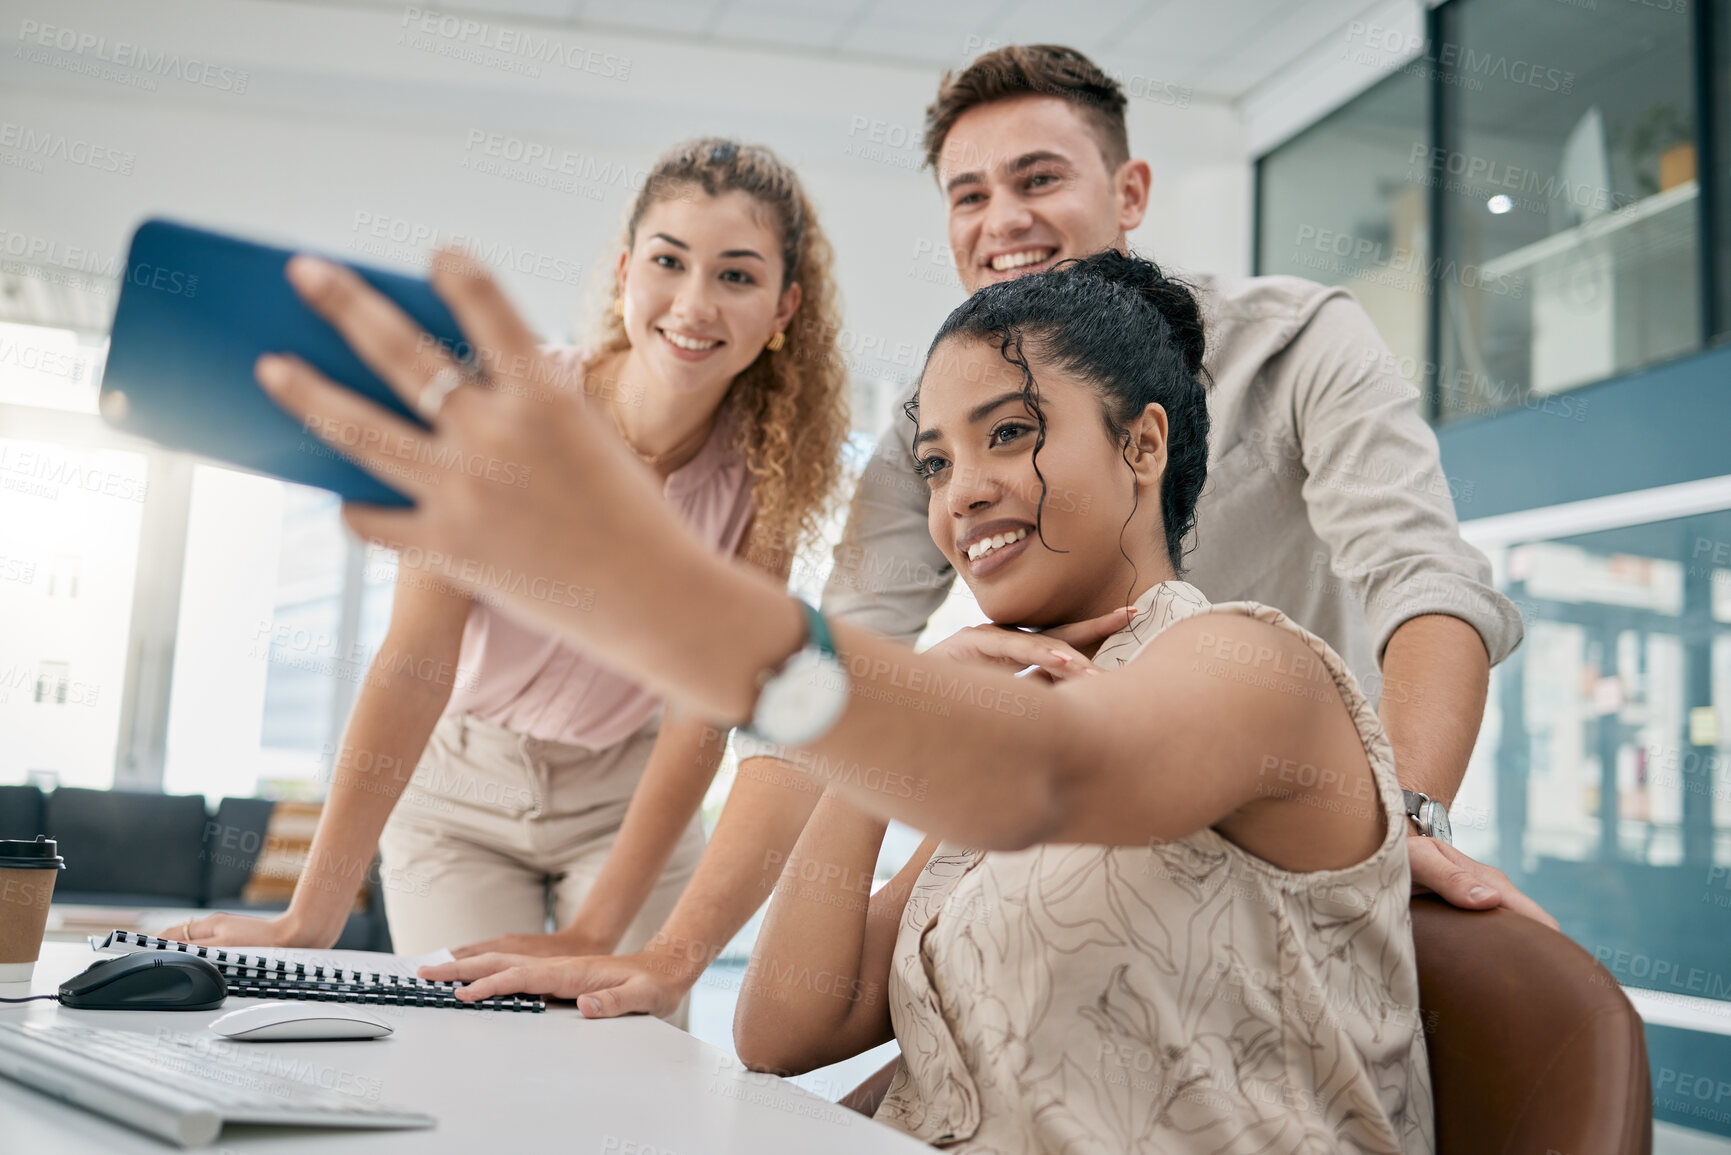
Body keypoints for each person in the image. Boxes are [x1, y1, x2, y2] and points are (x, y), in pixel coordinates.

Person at [421, 42, 1549, 1029]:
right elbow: (820, 674)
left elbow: (1423, 585)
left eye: (1038, 178)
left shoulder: (1300, 342)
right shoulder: (938, 422)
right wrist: (671, 958)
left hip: (1282, 863)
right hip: (1067, 869)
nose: (1001, 220)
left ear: (1131, 189)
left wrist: (1396, 830)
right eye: (967, 196)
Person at [253, 245, 1434, 1153]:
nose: (963, 493)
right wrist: (874, 763)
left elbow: (1049, 776)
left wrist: (656, 593)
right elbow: (788, 1027)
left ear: (1142, 446)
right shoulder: (1010, 727)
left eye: (1010, 434)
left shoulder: (1250, 668)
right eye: (934, 462)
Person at [171, 140, 849, 1028]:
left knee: (622, 1048)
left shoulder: (770, 476)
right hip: (459, 791)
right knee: (469, 1045)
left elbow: (706, 707)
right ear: (624, 270)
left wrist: (601, 928)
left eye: (736, 275)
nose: (693, 304)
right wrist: (312, 913)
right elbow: (415, 659)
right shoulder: (518, 408)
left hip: (624, 796)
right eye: (668, 262)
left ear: (783, 307)